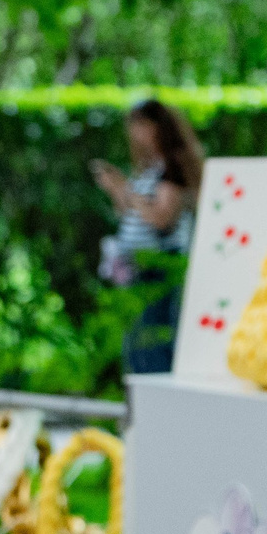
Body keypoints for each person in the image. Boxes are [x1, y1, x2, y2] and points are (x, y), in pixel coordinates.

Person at [93, 97, 202, 374]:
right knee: (136, 342)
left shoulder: (171, 168)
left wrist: (128, 191)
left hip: (158, 265)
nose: (135, 133)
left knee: (151, 341)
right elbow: (130, 212)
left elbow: (161, 217)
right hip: (136, 266)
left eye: (141, 125)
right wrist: (116, 189)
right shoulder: (149, 168)